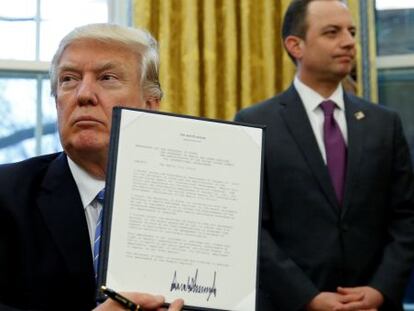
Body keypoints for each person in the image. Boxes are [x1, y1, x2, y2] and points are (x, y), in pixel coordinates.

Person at [235, 0, 414, 310]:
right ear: (295, 45)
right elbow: (249, 227)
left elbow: (406, 218)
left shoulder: (385, 124)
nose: (348, 42)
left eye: (352, 32)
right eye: (332, 32)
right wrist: (308, 298)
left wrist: (379, 290)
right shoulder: (255, 122)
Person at [0, 23, 183, 311]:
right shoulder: (7, 195)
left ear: (150, 105)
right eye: (69, 79)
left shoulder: (191, 202)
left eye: (107, 78)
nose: (84, 94)